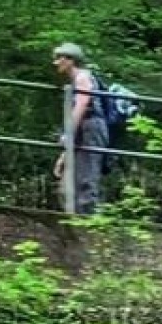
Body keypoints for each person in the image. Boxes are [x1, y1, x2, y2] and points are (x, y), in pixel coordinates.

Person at [51, 43, 110, 214]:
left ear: (70, 60)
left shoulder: (83, 77)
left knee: (87, 178)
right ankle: (75, 219)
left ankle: (88, 223)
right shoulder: (76, 80)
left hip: (91, 127)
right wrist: (63, 156)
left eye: (59, 58)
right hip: (83, 127)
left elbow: (82, 105)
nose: (56, 63)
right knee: (70, 179)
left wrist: (67, 135)